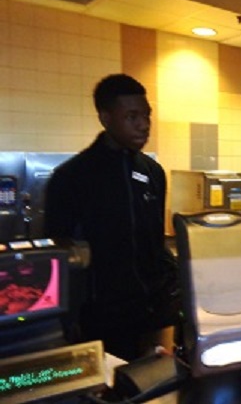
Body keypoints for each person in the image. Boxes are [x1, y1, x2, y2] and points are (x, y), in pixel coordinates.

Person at [44, 73, 181, 361]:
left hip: (152, 314)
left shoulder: (152, 173)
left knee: (157, 388)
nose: (144, 125)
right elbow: (58, 259)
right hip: (100, 321)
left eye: (146, 115)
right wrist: (68, 322)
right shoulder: (72, 177)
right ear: (105, 118)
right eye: (132, 116)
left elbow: (155, 243)